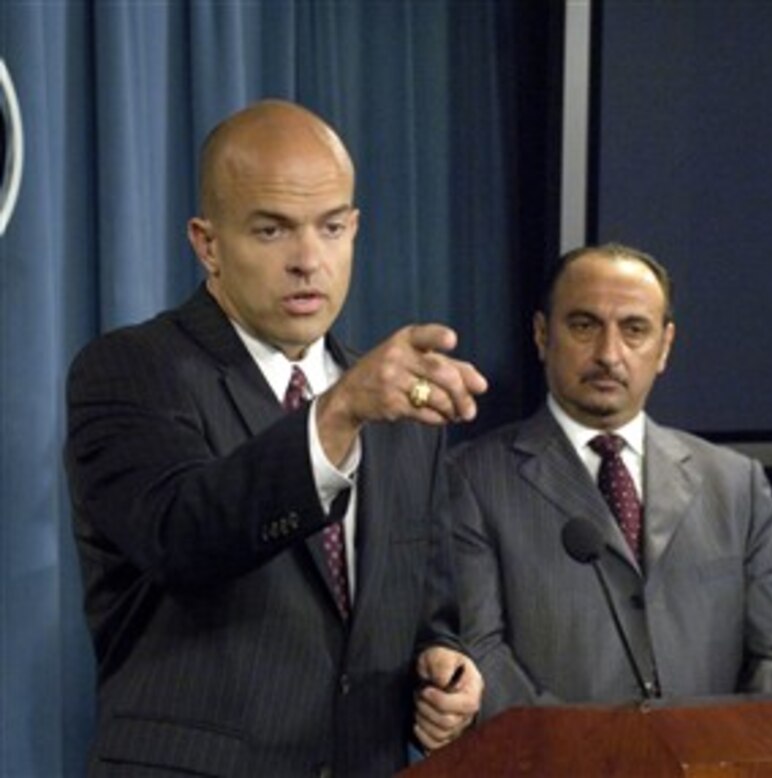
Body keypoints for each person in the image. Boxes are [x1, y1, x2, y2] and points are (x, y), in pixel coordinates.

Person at [64, 100, 488, 776]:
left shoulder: (397, 411)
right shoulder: (133, 370)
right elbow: (183, 533)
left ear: (355, 228)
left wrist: (439, 672)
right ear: (207, 243)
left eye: (330, 228)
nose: (308, 260)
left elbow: (425, 613)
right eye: (272, 231)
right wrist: (337, 415)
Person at [449, 242, 772, 719]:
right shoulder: (472, 478)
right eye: (584, 326)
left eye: (634, 330)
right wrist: (601, 756)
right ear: (542, 335)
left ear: (664, 347)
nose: (609, 353)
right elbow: (480, 654)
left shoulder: (735, 484)